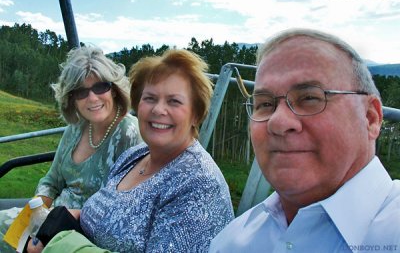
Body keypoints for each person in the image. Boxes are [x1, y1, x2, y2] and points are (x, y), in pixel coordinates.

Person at [209, 28, 400, 252]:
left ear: (370, 117)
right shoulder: (230, 242)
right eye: (265, 104)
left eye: (309, 98)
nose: (277, 122)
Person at [29, 49, 234, 253]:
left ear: (196, 114)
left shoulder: (199, 184)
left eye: (174, 101)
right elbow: (109, 213)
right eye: (150, 98)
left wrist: (60, 244)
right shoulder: (134, 157)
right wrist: (76, 216)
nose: (158, 110)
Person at [0, 45, 141, 253]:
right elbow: (51, 181)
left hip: (84, 234)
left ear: (114, 89)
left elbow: (122, 210)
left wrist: (48, 233)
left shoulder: (130, 135)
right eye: (81, 92)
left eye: (101, 87)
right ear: (71, 98)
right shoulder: (76, 128)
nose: (92, 98)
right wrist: (32, 218)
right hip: (52, 219)